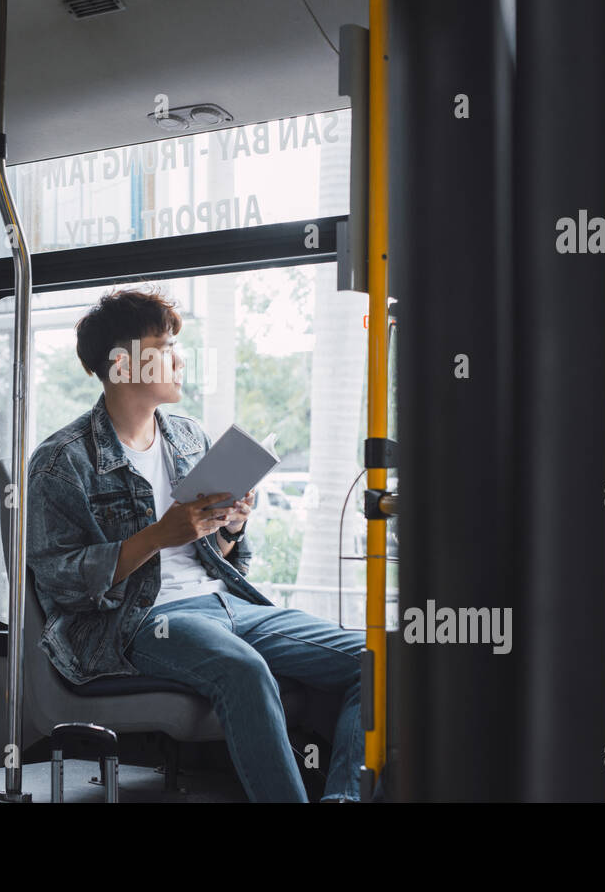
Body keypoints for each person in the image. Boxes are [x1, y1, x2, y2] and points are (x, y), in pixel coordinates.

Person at [26, 286, 364, 802]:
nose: (179, 359)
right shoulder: (62, 462)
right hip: (139, 621)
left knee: (375, 659)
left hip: (223, 602)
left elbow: (217, 555)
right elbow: (60, 584)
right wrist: (159, 535)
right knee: (244, 671)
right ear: (121, 364)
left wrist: (230, 525)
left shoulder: (187, 437)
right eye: (163, 348)